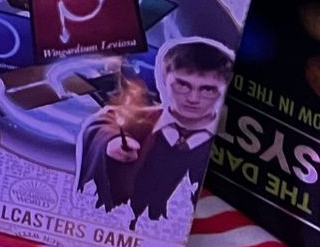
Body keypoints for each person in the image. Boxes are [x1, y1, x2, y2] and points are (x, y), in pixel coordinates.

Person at [77, 37, 234, 224]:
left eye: (208, 90)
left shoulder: (228, 139)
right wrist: (110, 142)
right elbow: (103, 123)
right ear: (164, 77)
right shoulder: (137, 122)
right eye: (183, 85)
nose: (193, 98)